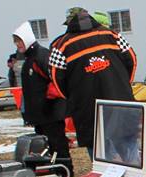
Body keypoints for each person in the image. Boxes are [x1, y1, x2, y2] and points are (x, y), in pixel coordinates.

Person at [49, 7, 137, 157]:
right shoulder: (113, 35)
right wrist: (123, 85)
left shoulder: (60, 46)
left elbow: (57, 80)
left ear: (69, 23)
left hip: (87, 110)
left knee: (101, 160)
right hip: (121, 103)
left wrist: (74, 97)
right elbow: (132, 60)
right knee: (131, 154)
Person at [12, 21, 73, 176]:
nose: (17, 44)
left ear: (27, 39)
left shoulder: (41, 56)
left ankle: (67, 172)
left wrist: (49, 100)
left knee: (58, 144)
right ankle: (55, 171)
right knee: (47, 146)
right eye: (15, 41)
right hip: (40, 115)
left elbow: (56, 78)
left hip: (50, 112)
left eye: (19, 40)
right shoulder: (29, 60)